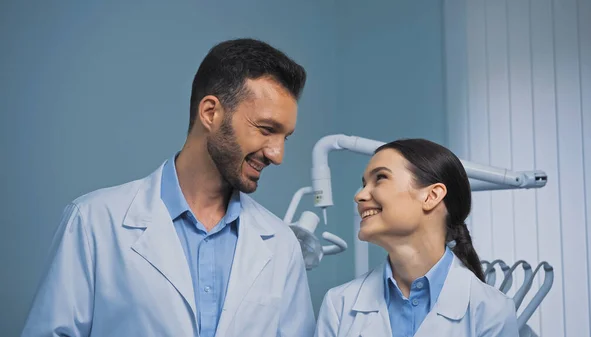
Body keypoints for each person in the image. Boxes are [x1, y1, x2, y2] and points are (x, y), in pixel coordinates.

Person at [22, 38, 315, 337]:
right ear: (211, 113)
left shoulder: (281, 245)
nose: (277, 155)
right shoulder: (93, 222)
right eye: (266, 130)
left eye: (285, 138)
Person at [314, 139, 519, 337]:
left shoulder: (492, 311)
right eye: (364, 183)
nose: (359, 196)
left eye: (380, 178)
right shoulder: (339, 304)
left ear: (431, 196)